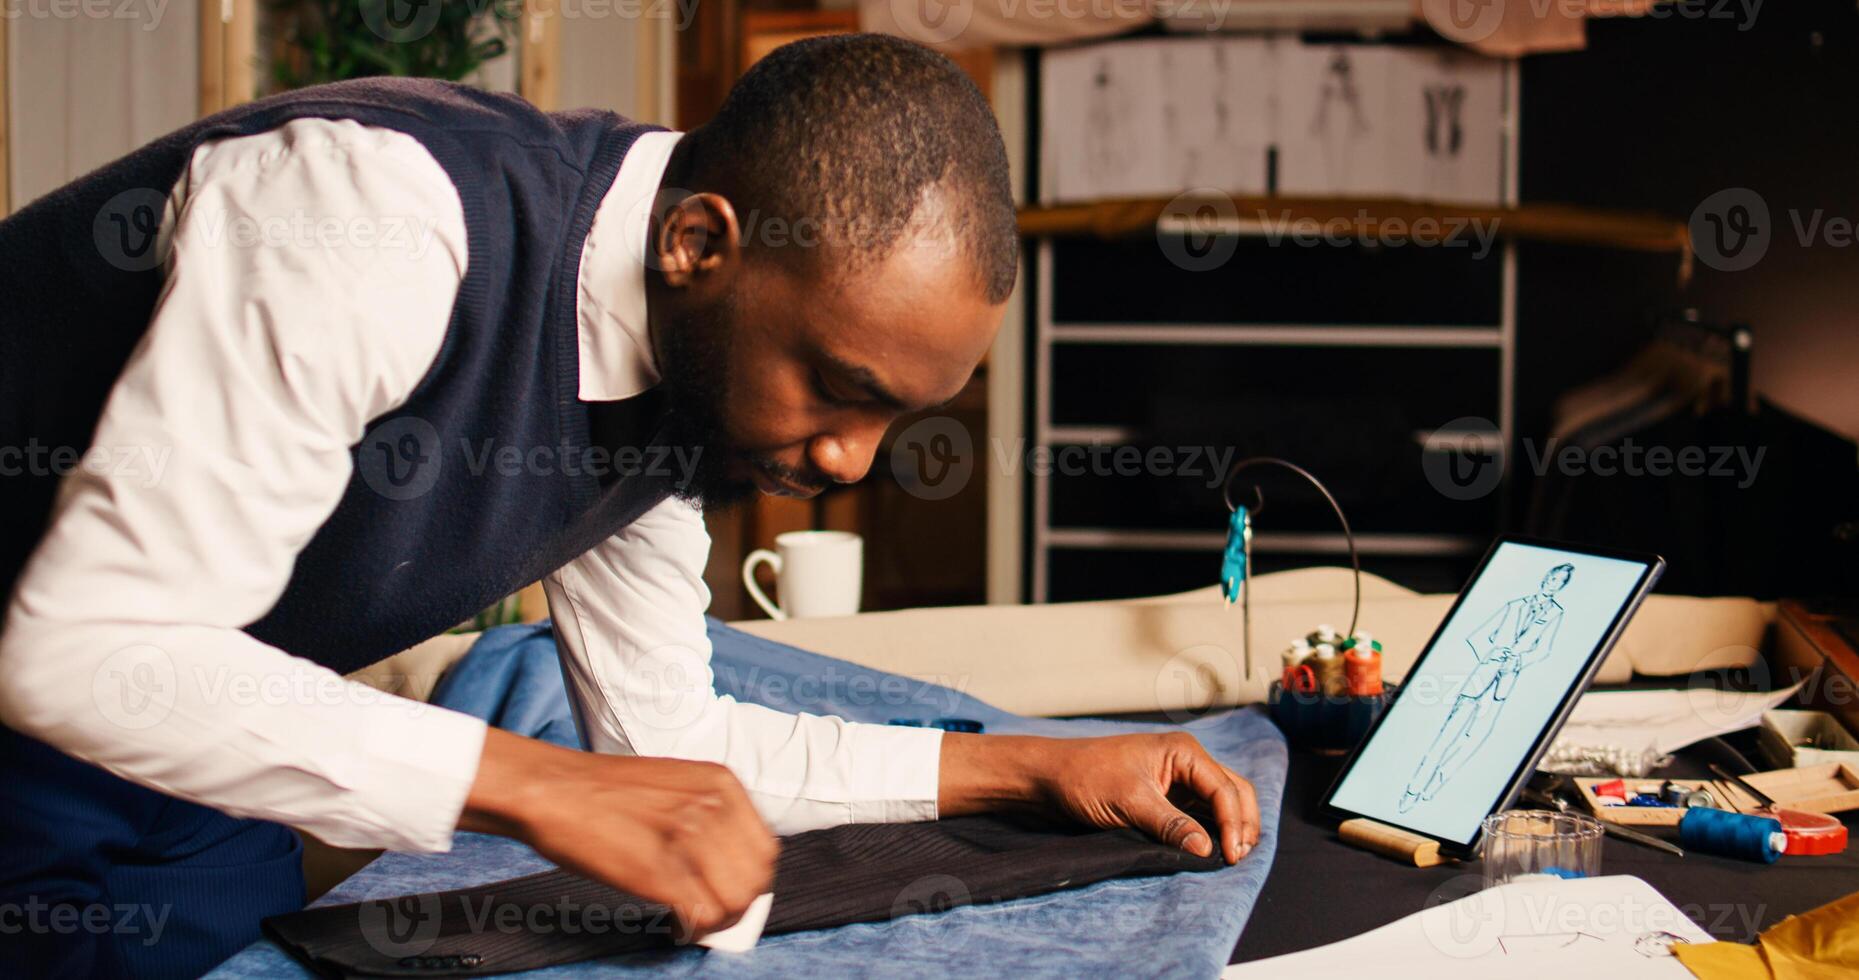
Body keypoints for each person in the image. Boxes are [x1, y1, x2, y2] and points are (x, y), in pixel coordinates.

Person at [0, 34, 1259, 976]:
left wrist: (1034, 764)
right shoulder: (366, 221)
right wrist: (533, 783)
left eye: (898, 421)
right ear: (700, 244)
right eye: (838, 388)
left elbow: (672, 756)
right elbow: (85, 651)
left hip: (193, 755)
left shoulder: (681, 390)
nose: (851, 462)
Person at [1398, 563, 1571, 812]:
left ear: (1561, 587)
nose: (1550, 583)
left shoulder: (1555, 614)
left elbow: (1544, 650)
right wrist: (1493, 654)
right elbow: (1479, 636)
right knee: (1446, 737)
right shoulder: (1515, 605)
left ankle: (1431, 790)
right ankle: (1411, 790)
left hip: (1505, 684)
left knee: (1473, 740)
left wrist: (1519, 661)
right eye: (1550, 577)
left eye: (1557, 581)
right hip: (1482, 676)